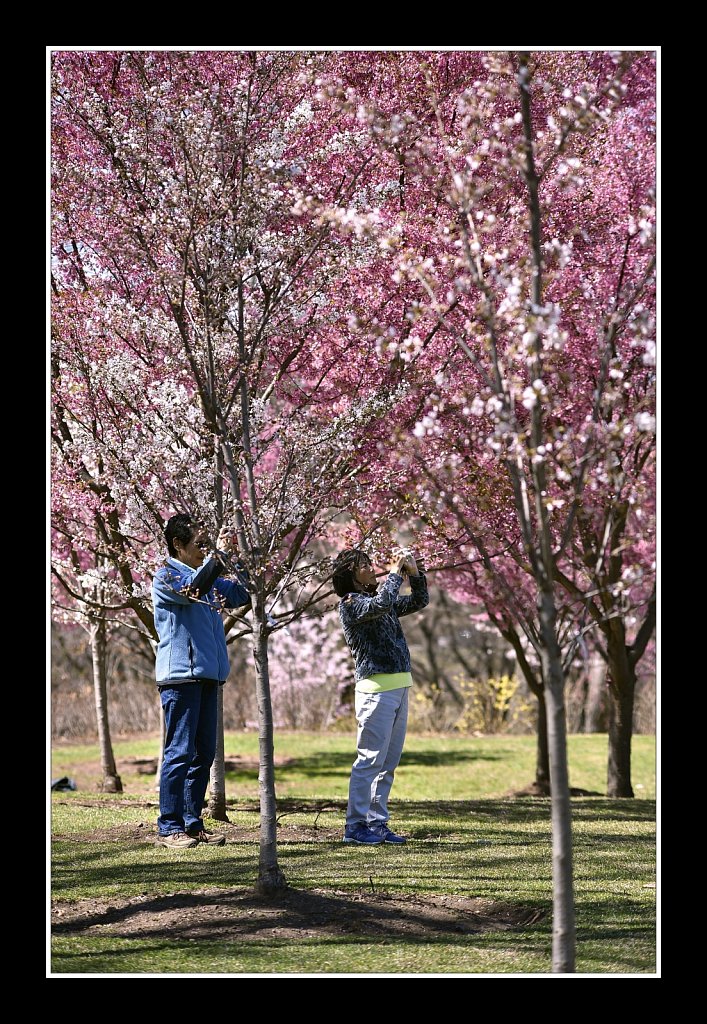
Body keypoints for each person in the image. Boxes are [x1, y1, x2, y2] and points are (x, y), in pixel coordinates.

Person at [152, 513, 250, 850]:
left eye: (207, 545)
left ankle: (192, 823)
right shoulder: (167, 577)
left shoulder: (207, 578)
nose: (204, 550)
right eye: (199, 545)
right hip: (181, 678)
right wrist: (218, 557)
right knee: (179, 752)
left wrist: (234, 555)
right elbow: (194, 590)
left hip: (209, 676)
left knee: (203, 753)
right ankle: (168, 827)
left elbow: (242, 595)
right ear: (177, 544)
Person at [333, 547, 429, 845]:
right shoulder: (351, 603)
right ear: (350, 574)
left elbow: (418, 600)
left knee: (388, 763)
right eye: (364, 565)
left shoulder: (379, 600)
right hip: (375, 690)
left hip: (400, 686)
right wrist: (392, 574)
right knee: (369, 760)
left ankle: (377, 822)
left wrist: (414, 574)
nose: (370, 567)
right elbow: (382, 602)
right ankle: (355, 826)